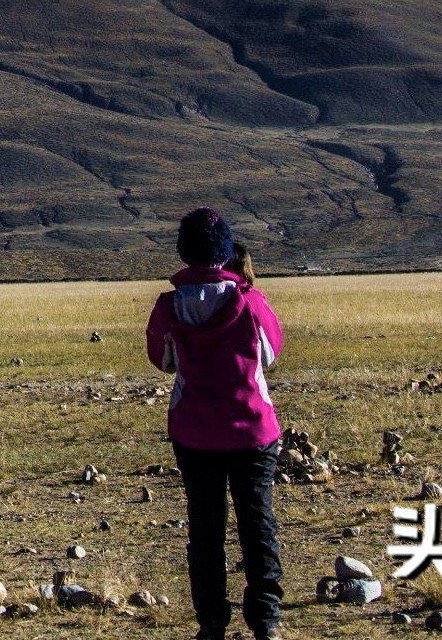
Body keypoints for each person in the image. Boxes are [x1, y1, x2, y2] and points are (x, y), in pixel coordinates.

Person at [147, 210, 286, 640]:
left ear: (184, 251)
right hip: (252, 432)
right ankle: (266, 621)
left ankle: (211, 622)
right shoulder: (251, 303)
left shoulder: (169, 307)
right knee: (257, 523)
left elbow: (163, 361)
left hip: (194, 433)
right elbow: (270, 355)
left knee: (205, 529)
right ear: (225, 251)